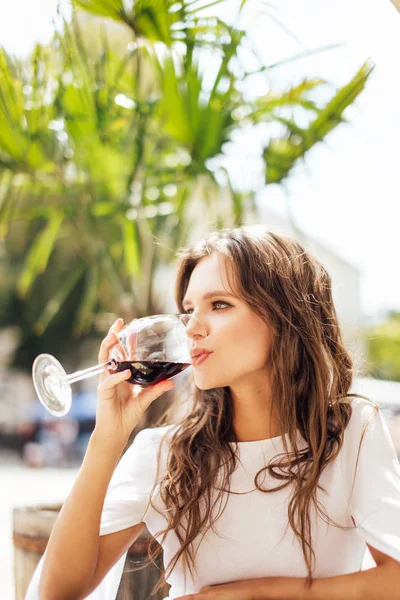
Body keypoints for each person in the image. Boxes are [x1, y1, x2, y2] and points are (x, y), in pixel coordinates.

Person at [27, 225, 400, 600]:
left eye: (219, 304)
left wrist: (257, 595)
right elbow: (58, 593)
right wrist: (106, 437)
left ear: (286, 316)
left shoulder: (350, 432)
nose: (191, 328)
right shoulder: (164, 453)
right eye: (188, 310)